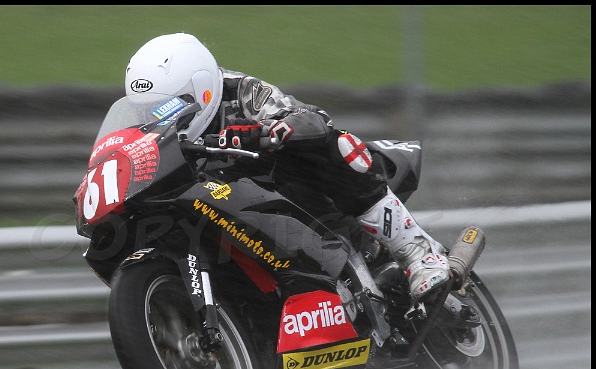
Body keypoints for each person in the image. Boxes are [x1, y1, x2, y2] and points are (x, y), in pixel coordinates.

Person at [123, 32, 450, 302]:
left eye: (165, 106)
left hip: (289, 189)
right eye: (147, 110)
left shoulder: (242, 92)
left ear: (201, 87)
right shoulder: (151, 131)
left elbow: (312, 120)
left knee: (337, 143)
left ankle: (417, 249)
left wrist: (267, 132)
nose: (156, 117)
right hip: (232, 213)